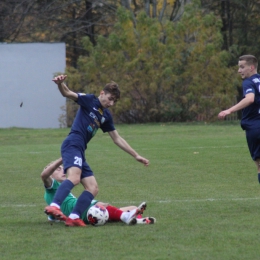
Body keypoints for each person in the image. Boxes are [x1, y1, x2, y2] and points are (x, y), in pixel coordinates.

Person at [45, 75, 150, 227]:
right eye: (110, 98)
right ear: (102, 93)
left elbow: (117, 138)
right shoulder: (89, 100)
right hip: (72, 144)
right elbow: (68, 93)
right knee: (74, 178)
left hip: (80, 150)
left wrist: (136, 155)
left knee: (93, 188)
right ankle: (54, 206)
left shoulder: (106, 115)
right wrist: (60, 84)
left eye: (114, 101)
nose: (111, 103)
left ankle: (74, 217)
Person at [42, 158, 156, 225]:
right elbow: (44, 175)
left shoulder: (59, 189)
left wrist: (53, 218)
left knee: (130, 208)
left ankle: (137, 219)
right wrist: (63, 158)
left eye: (63, 168)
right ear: (51, 174)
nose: (63, 171)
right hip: (81, 210)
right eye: (58, 169)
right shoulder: (52, 186)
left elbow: (51, 218)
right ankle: (127, 217)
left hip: (82, 211)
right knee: (102, 207)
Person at [218, 54, 260, 181]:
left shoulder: (248, 82)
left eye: (242, 67)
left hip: (255, 128)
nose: (239, 70)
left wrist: (229, 110)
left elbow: (250, 99)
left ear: (251, 67)